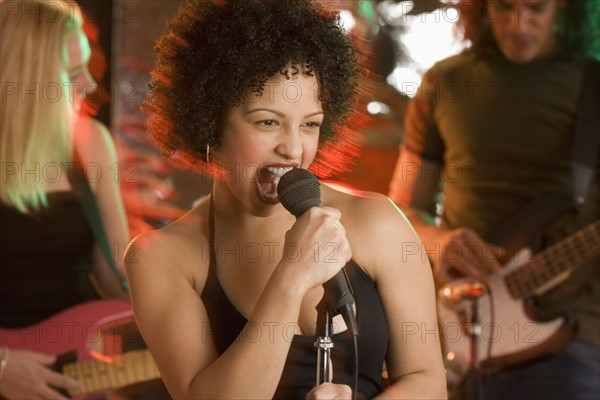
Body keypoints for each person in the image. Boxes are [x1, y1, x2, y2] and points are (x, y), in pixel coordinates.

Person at [125, 0, 447, 399]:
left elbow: (427, 380)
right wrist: (291, 277)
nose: (293, 149)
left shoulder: (379, 223)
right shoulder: (161, 257)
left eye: (310, 125)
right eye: (267, 122)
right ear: (210, 127)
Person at [387, 0, 599, 399]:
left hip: (571, 341)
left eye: (536, 7)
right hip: (454, 327)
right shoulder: (444, 82)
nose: (518, 23)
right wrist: (440, 242)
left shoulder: (593, 85)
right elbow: (400, 209)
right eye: (504, 6)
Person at [0, 1, 131, 398]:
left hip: (77, 367)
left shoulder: (89, 142)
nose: (91, 86)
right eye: (74, 75)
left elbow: (117, 280)